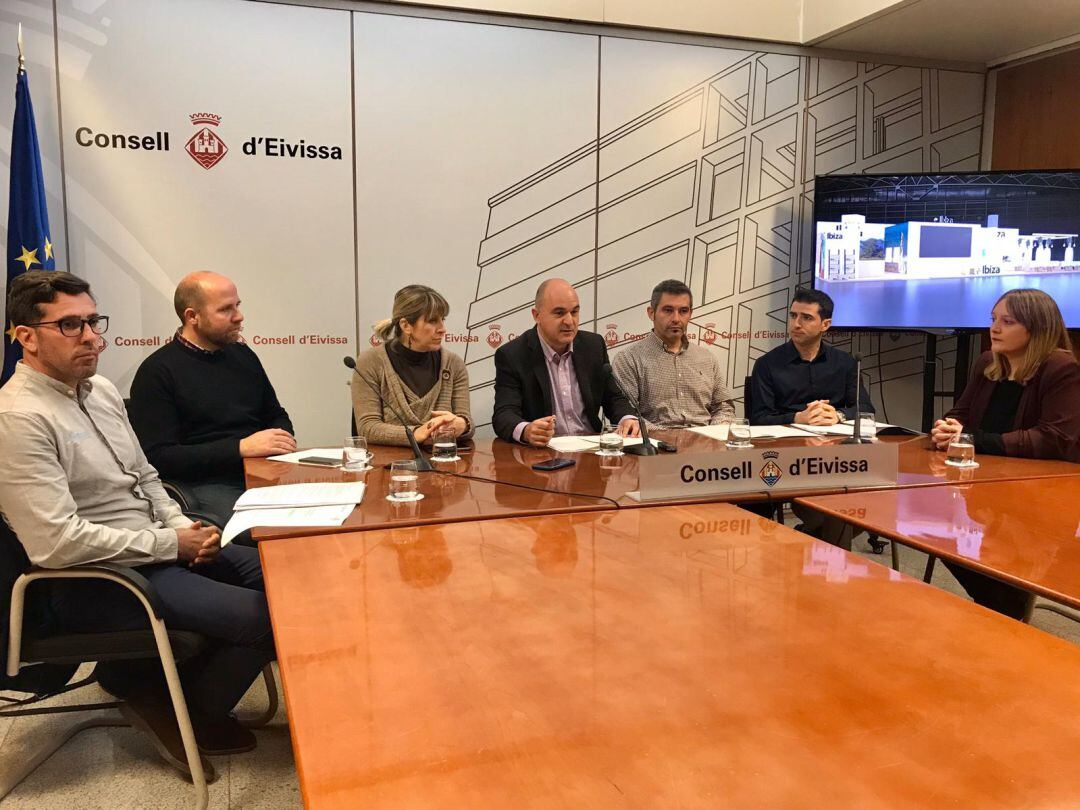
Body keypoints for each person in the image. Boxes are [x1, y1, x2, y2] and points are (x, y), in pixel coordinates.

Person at [0, 271, 274, 777]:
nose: (90, 337)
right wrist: (170, 543)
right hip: (102, 577)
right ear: (26, 337)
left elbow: (146, 475)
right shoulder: (19, 419)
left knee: (289, 580)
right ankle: (178, 709)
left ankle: (140, 679)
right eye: (69, 325)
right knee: (269, 616)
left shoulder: (99, 389)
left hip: (159, 549)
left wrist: (183, 525)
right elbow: (57, 544)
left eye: (92, 321)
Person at [930, 288, 1080, 619]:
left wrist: (970, 438)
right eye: (993, 319)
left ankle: (1005, 619)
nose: (994, 328)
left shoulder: (1061, 368)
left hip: (1041, 499)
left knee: (1002, 575)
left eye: (1007, 321)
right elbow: (962, 415)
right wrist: (947, 428)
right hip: (985, 488)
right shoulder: (988, 363)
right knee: (938, 537)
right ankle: (1001, 617)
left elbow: (1053, 439)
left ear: (1036, 327)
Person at [128, 271, 295, 528]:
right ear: (192, 316)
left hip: (264, 470)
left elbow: (274, 413)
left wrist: (281, 437)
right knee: (274, 528)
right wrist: (239, 448)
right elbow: (158, 457)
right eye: (226, 309)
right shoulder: (157, 372)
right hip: (205, 485)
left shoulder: (242, 354)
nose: (239, 316)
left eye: (237, 305)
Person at [492, 278, 639, 446]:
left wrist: (627, 419)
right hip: (545, 454)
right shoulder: (513, 355)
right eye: (559, 313)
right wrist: (526, 430)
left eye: (574, 312)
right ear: (537, 315)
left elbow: (614, 398)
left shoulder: (593, 346)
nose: (569, 321)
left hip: (591, 450)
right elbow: (504, 414)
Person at [351, 284, 473, 447]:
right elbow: (368, 428)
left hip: (443, 464)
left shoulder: (454, 364)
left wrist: (462, 425)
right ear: (406, 325)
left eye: (442, 320)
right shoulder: (371, 362)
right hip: (389, 467)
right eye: (432, 321)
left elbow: (465, 421)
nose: (443, 329)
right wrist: (416, 433)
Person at [612, 279, 735, 428]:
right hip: (656, 445)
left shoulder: (707, 358)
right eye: (668, 310)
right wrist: (668, 439)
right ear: (651, 313)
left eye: (683, 311)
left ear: (690, 314)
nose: (676, 319)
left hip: (706, 443)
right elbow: (628, 415)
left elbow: (724, 407)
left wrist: (714, 435)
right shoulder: (629, 359)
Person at [749, 287, 873, 426]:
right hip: (786, 442)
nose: (796, 324)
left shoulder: (845, 363)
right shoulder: (766, 364)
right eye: (793, 316)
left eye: (806, 318)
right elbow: (759, 417)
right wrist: (797, 418)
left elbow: (866, 409)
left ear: (825, 324)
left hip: (834, 440)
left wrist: (838, 415)